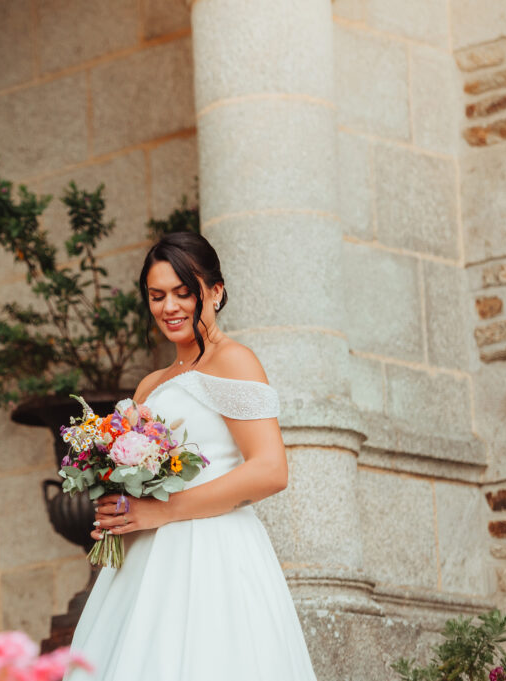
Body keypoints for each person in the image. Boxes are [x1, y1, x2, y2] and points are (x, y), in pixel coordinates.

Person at [64, 232, 318, 680]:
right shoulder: (150, 385)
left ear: (215, 292)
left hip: (212, 553)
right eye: (157, 295)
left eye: (184, 292)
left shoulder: (234, 360)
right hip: (145, 562)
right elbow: (142, 480)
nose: (170, 307)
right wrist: (118, 504)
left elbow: (270, 470)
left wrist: (161, 511)